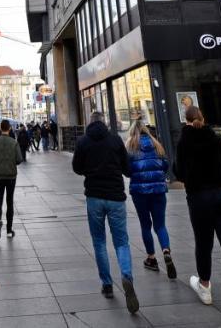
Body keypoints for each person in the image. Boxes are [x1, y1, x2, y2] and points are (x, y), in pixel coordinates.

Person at [174, 106, 221, 328]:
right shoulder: (216, 139)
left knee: (203, 244)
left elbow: (179, 172)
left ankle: (205, 286)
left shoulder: (183, 142)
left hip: (199, 198)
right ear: (202, 118)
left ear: (185, 120)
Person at [72, 111, 138, 314]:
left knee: (99, 241)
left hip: (94, 197)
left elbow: (76, 167)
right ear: (104, 122)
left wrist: (89, 171)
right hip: (116, 197)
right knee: (121, 241)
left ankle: (107, 284)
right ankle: (126, 276)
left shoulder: (83, 141)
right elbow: (128, 169)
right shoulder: (115, 140)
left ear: (90, 123)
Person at [126, 121, 176, 279]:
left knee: (145, 224)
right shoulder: (157, 145)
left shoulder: (130, 146)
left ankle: (151, 258)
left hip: (139, 191)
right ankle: (166, 251)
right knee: (160, 224)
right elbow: (166, 165)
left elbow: (127, 170)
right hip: (158, 190)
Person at [0, 119, 22, 241]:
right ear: (9, 129)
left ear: (1, 128)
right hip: (11, 176)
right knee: (9, 202)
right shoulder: (14, 142)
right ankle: (9, 230)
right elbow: (19, 159)